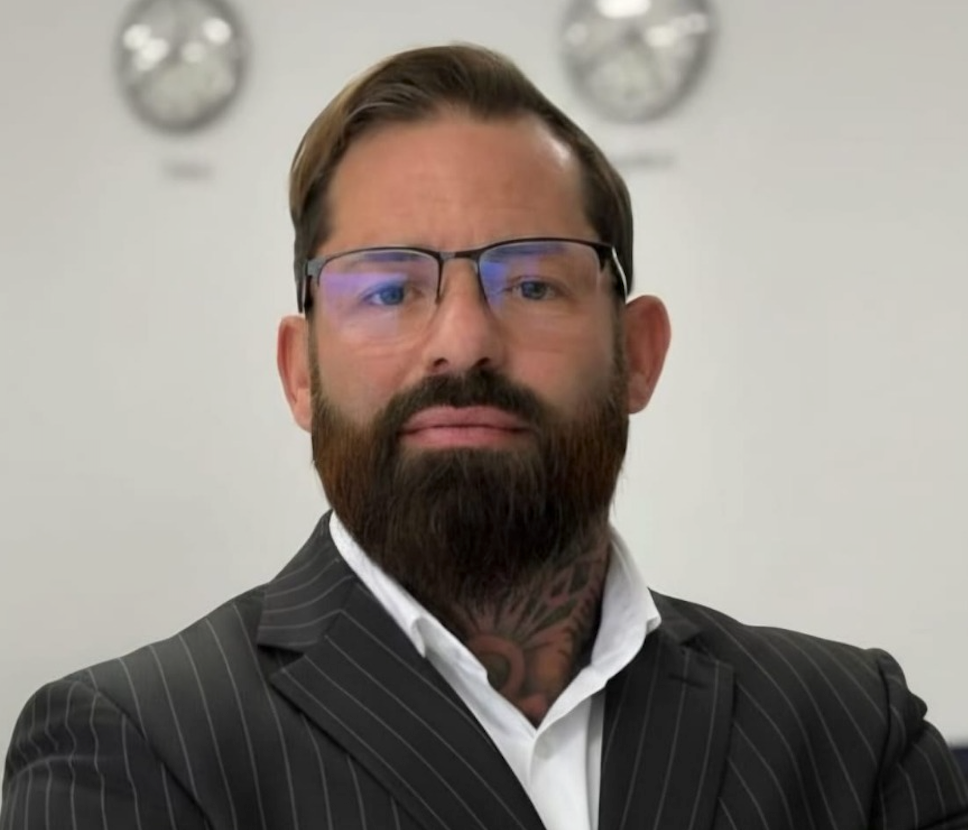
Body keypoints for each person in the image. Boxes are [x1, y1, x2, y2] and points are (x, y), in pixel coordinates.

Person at [2, 43, 966, 830]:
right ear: (300, 373)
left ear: (638, 354)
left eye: (533, 283)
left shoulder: (852, 731)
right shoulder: (132, 749)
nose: (462, 341)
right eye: (389, 289)